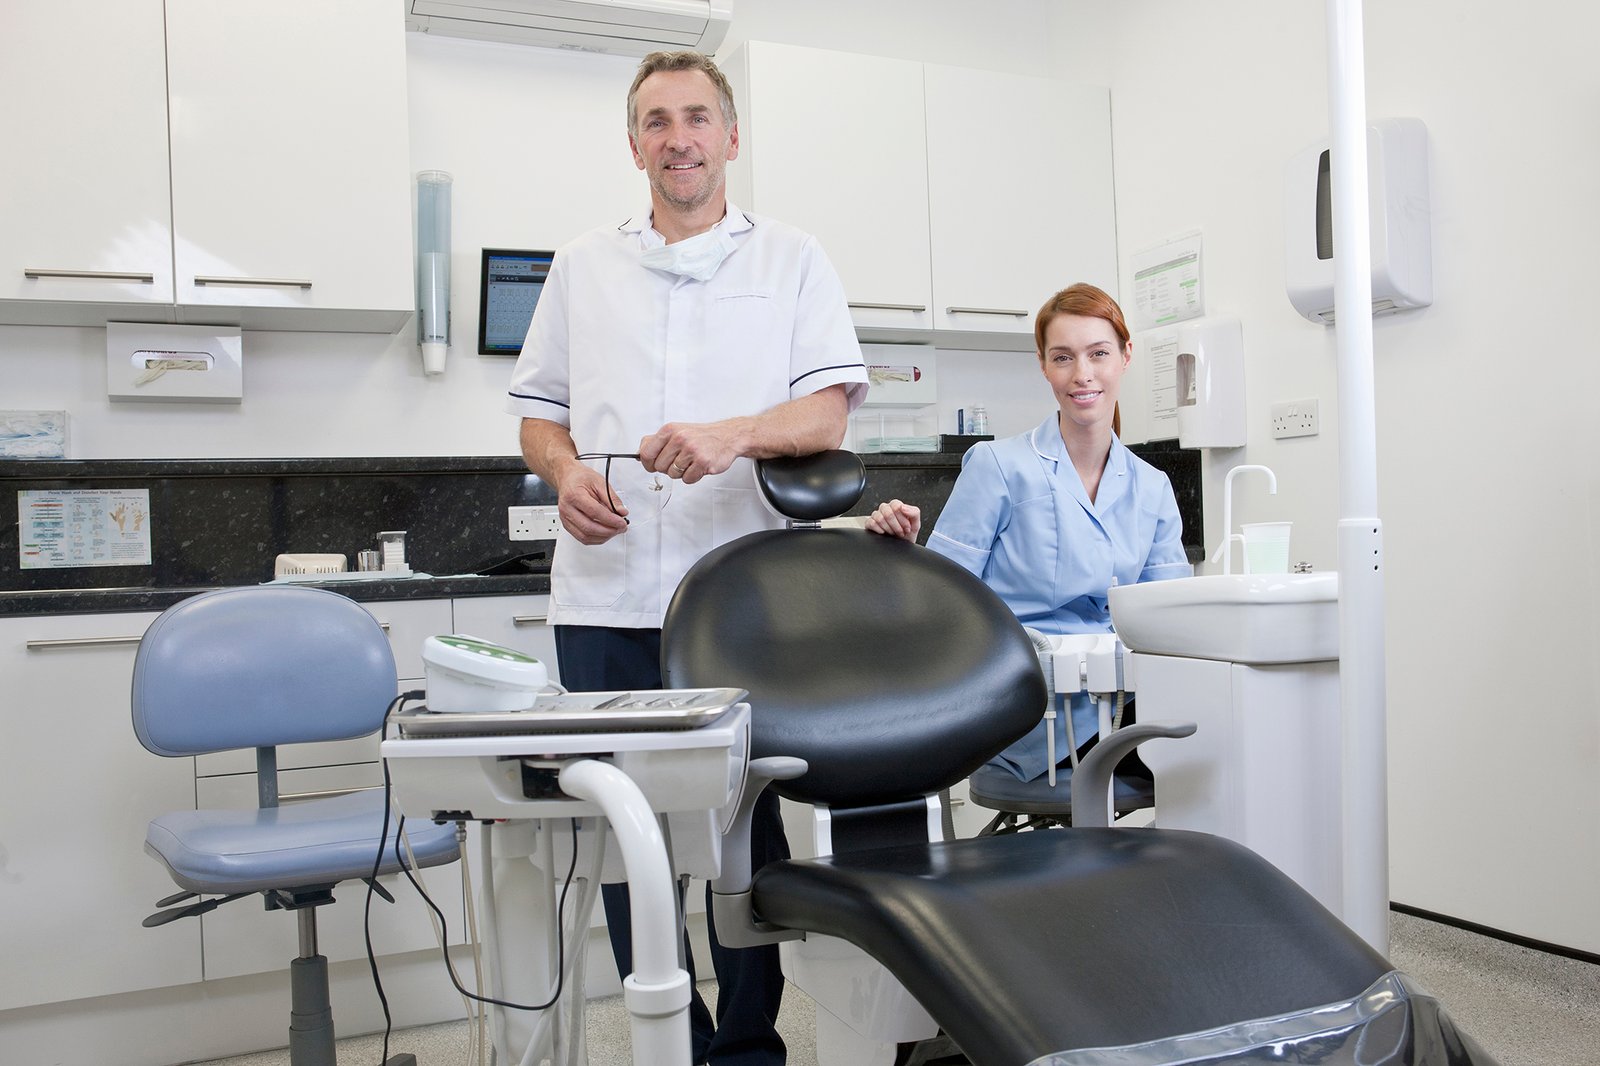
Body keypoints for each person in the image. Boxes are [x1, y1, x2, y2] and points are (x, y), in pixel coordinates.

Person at [505, 49, 869, 1066]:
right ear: (634, 144)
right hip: (607, 592)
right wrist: (566, 472)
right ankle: (674, 1040)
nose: (679, 138)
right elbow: (538, 415)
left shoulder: (791, 257)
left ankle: (748, 1043)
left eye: (698, 118)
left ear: (731, 137)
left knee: (740, 831)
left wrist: (733, 432)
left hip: (741, 595)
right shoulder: (582, 265)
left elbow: (826, 410)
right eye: (658, 121)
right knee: (629, 835)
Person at [867, 282, 1190, 782]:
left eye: (1098, 354)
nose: (1082, 374)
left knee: (1218, 731)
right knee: (1200, 753)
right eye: (1063, 358)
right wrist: (905, 553)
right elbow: (943, 602)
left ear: (1126, 356)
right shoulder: (998, 466)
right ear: (1043, 365)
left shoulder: (1152, 486)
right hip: (1029, 710)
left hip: (1120, 702)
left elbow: (1170, 618)